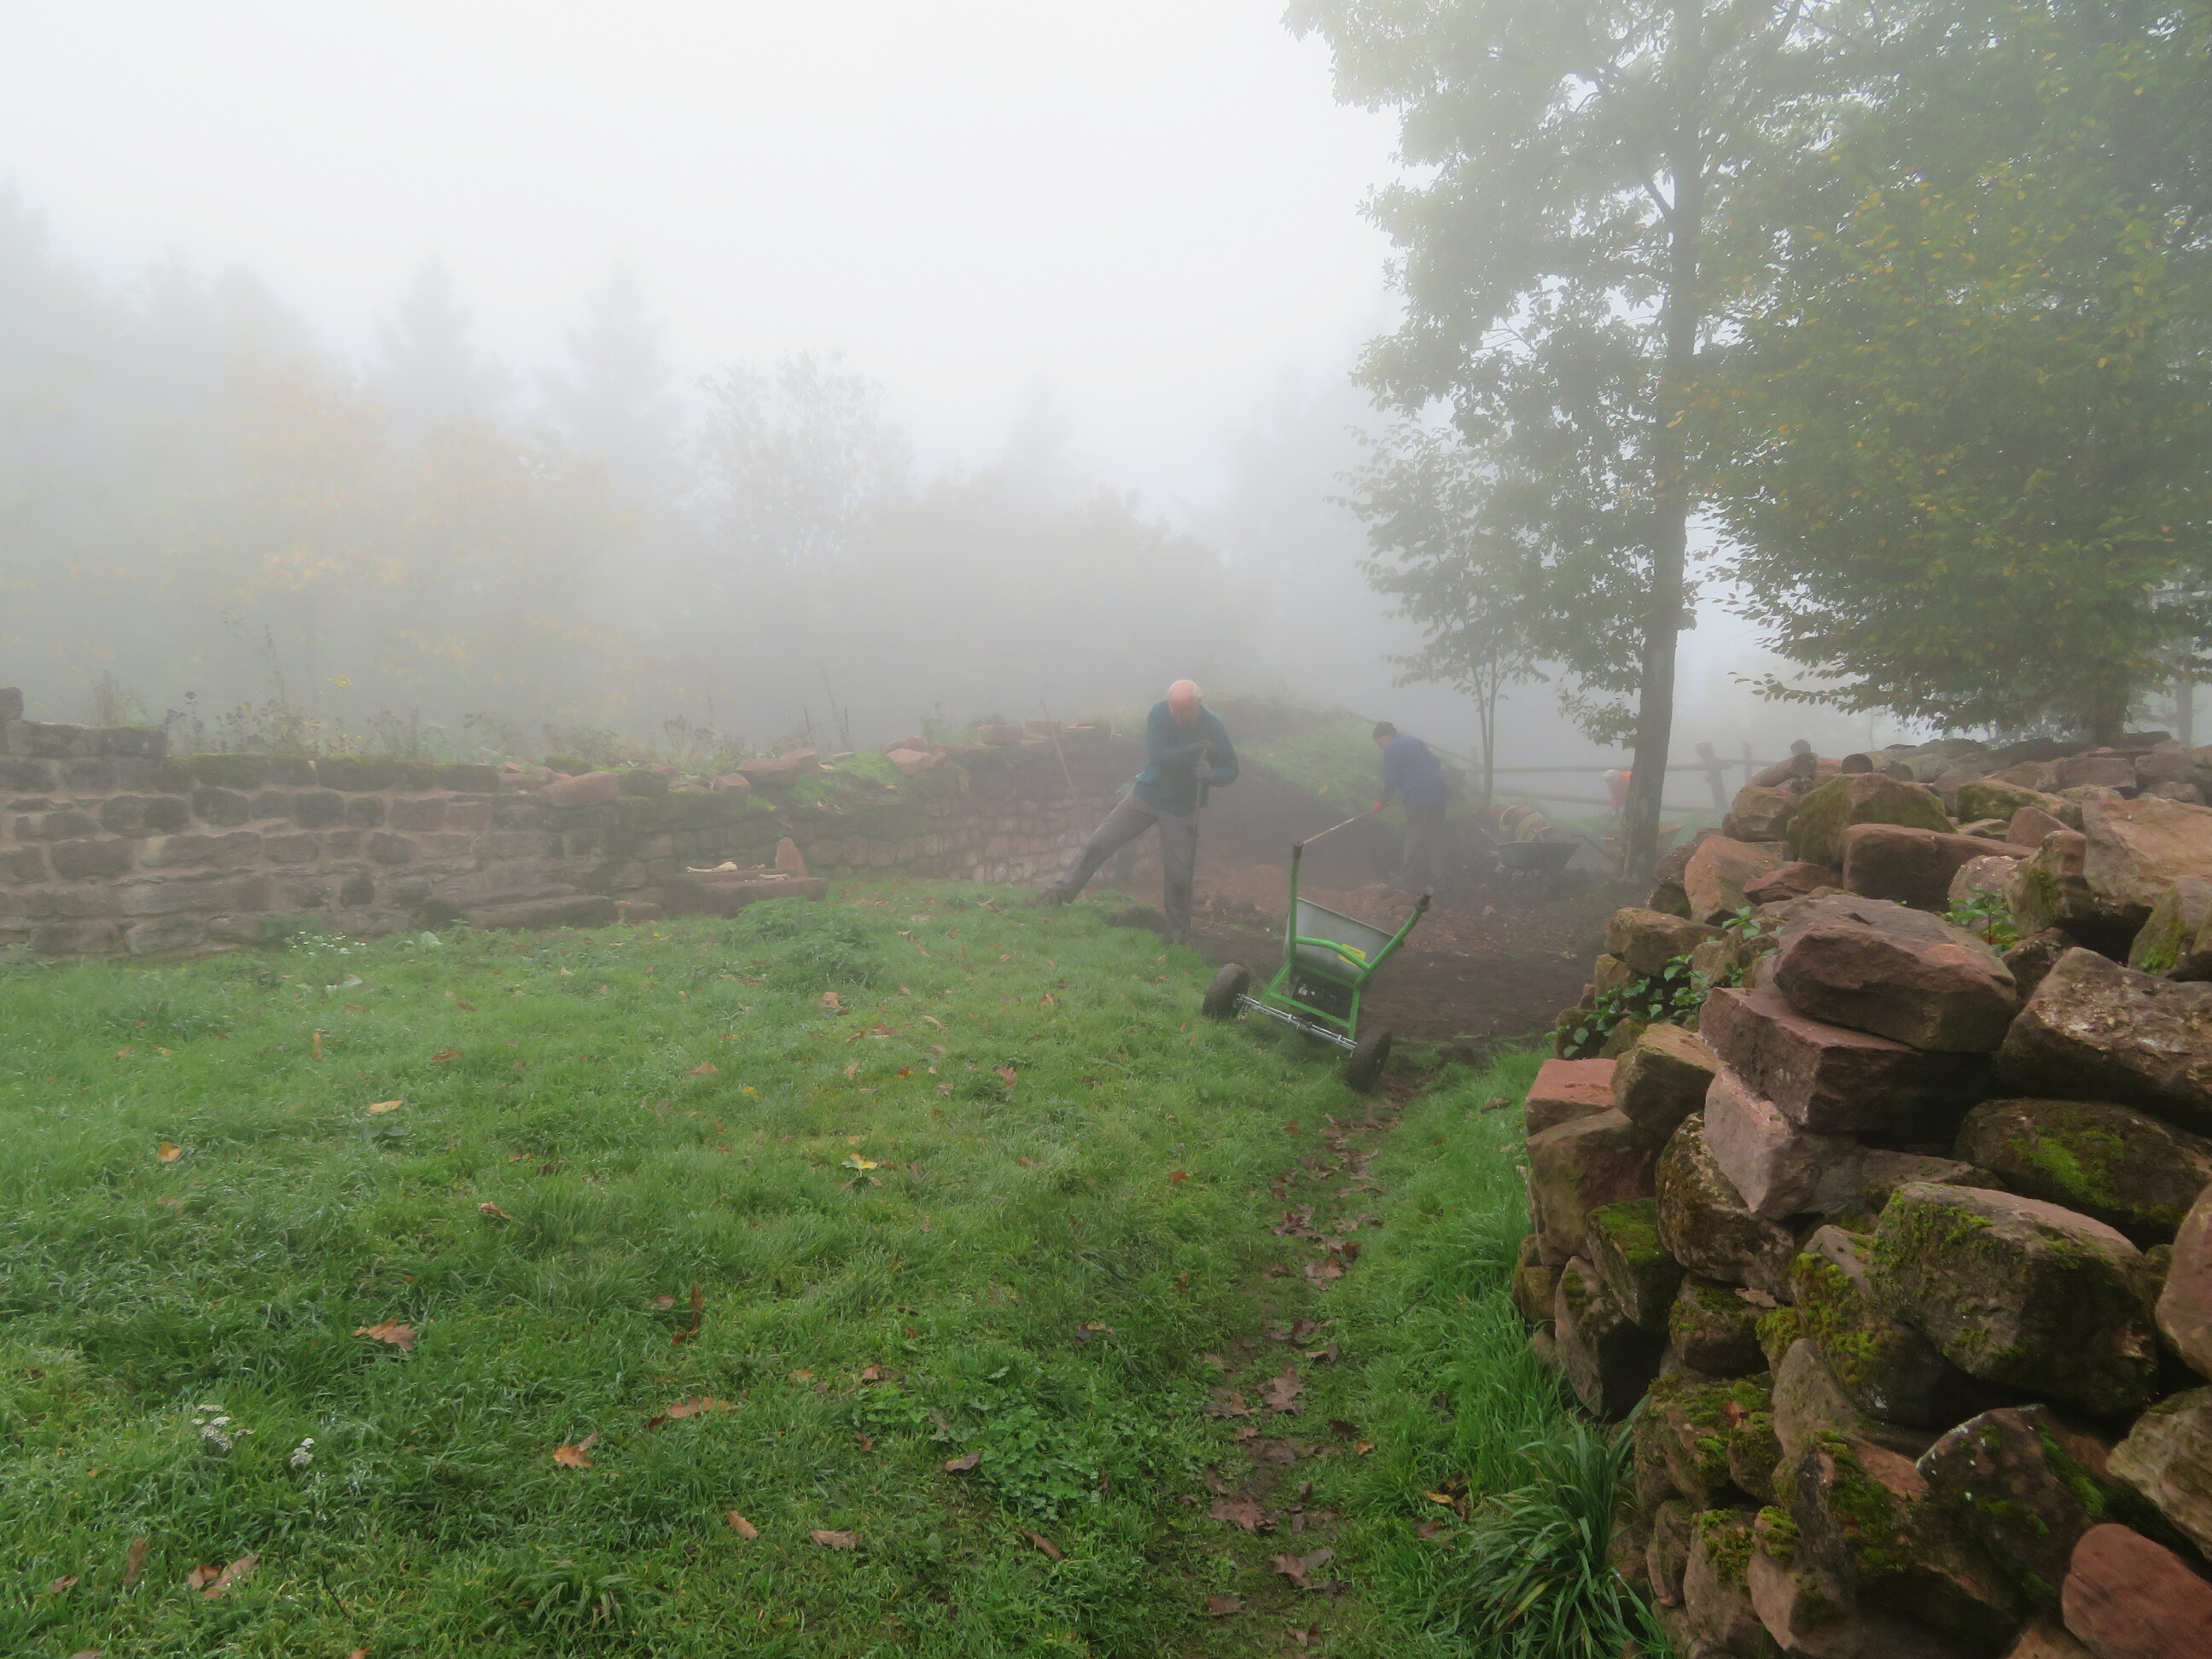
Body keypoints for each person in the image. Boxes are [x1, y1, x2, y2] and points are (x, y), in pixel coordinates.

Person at [1033, 679, 1237, 944]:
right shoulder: (1158, 714)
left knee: (1179, 876)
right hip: (1146, 795)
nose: (1178, 720)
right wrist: (1191, 751)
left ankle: (1177, 933)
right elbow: (1158, 756)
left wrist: (1212, 774)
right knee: (1100, 842)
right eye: (1175, 713)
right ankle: (1059, 893)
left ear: (1198, 704)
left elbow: (1231, 768)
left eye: (1184, 714)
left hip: (1182, 808)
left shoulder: (1213, 727)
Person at [1371, 721, 1450, 894]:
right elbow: (1436, 763)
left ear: (1385, 736)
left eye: (1378, 742)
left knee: (1413, 835)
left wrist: (1382, 801)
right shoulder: (1414, 740)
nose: (1379, 746)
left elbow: (1391, 780)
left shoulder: (1391, 749)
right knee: (1435, 836)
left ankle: (1406, 879)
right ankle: (1440, 879)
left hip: (1418, 797)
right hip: (1439, 793)